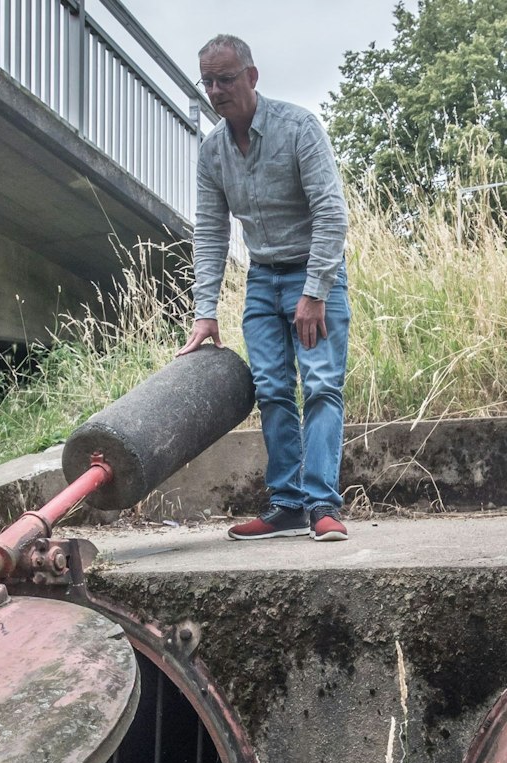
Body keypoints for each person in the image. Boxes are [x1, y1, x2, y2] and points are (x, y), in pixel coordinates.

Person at [178, 34, 351, 543]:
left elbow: (331, 212)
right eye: (207, 81)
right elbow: (210, 231)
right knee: (273, 390)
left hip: (315, 273)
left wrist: (315, 291)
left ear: (252, 77)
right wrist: (204, 311)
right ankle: (287, 506)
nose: (216, 90)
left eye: (225, 79)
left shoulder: (298, 128)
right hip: (262, 277)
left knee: (320, 385)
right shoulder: (212, 151)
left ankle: (322, 503)